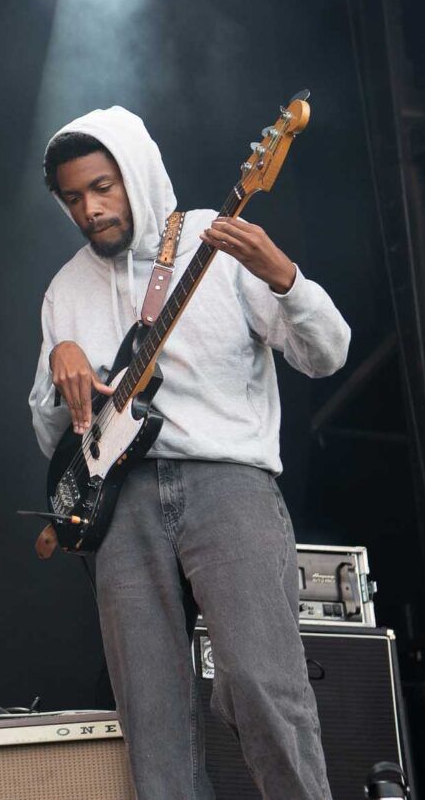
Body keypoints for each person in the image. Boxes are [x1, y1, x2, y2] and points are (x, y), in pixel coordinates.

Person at [28, 106, 350, 798]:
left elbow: (328, 354)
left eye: (103, 187)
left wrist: (285, 276)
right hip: (122, 506)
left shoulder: (216, 239)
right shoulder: (63, 290)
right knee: (153, 717)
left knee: (265, 684)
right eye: (74, 197)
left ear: (136, 173)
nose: (90, 209)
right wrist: (62, 362)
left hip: (226, 483)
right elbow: (51, 436)